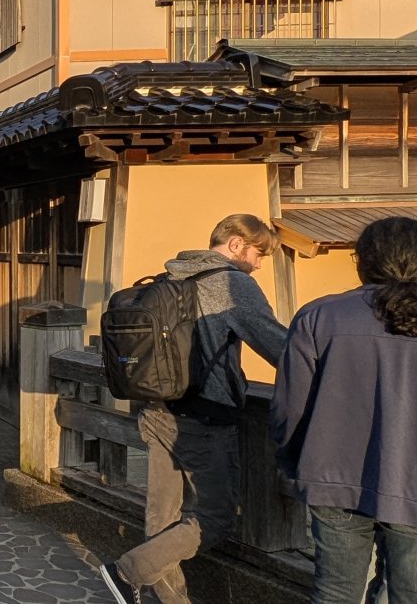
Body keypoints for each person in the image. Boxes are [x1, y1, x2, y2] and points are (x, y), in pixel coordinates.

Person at [99, 214, 288, 604]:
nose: (259, 263)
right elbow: (280, 347)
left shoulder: (172, 276)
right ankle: (126, 572)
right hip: (204, 418)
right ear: (236, 244)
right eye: (259, 253)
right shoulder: (234, 284)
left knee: (162, 520)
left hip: (156, 410)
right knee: (216, 518)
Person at [271, 217, 417, 604]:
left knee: (335, 593)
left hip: (334, 479)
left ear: (363, 261)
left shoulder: (319, 317)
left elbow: (290, 409)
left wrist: (294, 465)